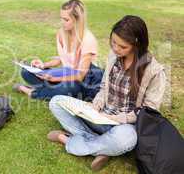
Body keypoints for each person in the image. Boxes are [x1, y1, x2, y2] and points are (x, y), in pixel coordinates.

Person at [47, 15, 166, 171]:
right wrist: (95, 107)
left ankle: (68, 140)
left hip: (123, 126)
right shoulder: (113, 56)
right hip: (100, 115)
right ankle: (102, 146)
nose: (116, 49)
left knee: (126, 140)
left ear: (137, 45)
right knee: (56, 102)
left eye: (122, 47)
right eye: (113, 42)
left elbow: (149, 112)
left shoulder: (155, 72)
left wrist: (113, 118)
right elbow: (104, 88)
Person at [14, 0, 103, 101]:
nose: (62, 22)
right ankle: (50, 90)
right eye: (61, 18)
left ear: (77, 20)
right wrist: (43, 65)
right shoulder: (62, 34)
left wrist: (54, 78)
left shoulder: (88, 39)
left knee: (69, 88)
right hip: (64, 73)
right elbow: (61, 59)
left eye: (66, 20)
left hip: (81, 81)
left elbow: (80, 75)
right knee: (26, 72)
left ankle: (31, 92)